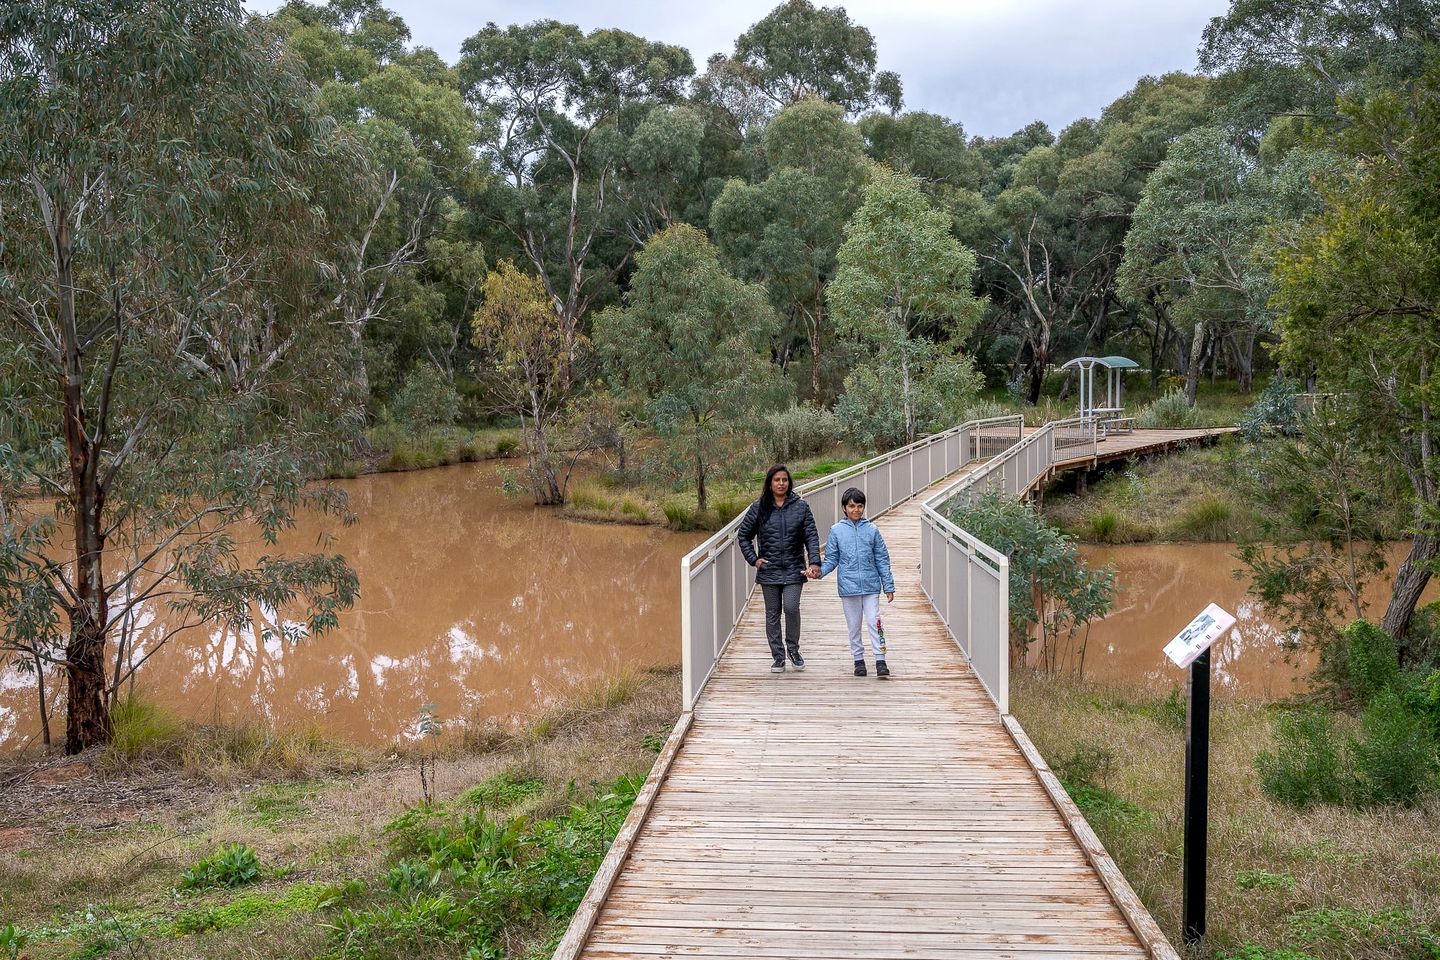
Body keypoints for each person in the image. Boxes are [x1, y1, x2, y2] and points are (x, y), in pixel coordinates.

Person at [737, 464, 820, 674]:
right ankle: (778, 657)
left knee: (791, 608)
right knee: (772, 613)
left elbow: (811, 535)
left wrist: (814, 562)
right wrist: (754, 559)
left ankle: (793, 650)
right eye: (777, 480)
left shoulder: (801, 506)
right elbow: (744, 536)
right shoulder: (758, 507)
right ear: (770, 483)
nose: (781, 483)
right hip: (769, 571)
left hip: (794, 569)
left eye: (784, 480)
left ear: (789, 482)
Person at [817, 487, 895, 678]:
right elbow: (831, 559)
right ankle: (858, 659)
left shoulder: (872, 530)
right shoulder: (836, 531)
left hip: (870, 586)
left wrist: (888, 585)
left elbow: (882, 558)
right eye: (852, 506)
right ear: (844, 508)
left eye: (860, 506)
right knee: (853, 625)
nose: (856, 510)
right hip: (848, 586)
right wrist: (819, 572)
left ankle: (880, 659)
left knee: (874, 622)